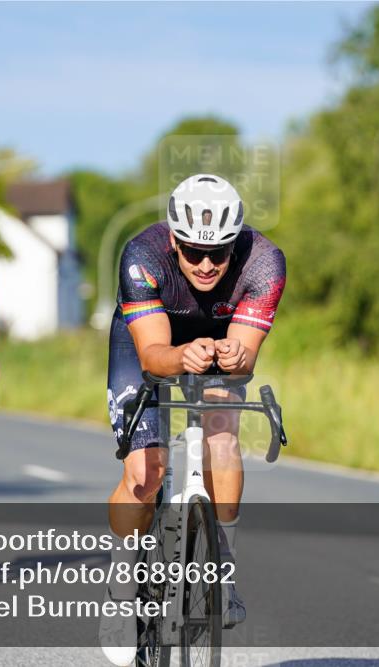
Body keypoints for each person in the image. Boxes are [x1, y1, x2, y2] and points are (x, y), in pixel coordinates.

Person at [100, 174, 286, 664]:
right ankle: (122, 589)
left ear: (235, 244)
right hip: (151, 339)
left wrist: (234, 353)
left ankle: (222, 572)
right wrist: (182, 355)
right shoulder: (142, 254)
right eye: (193, 252)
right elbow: (154, 355)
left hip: (220, 335)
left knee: (222, 437)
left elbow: (246, 357)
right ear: (173, 239)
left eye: (219, 253)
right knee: (145, 470)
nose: (206, 265)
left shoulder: (265, 263)